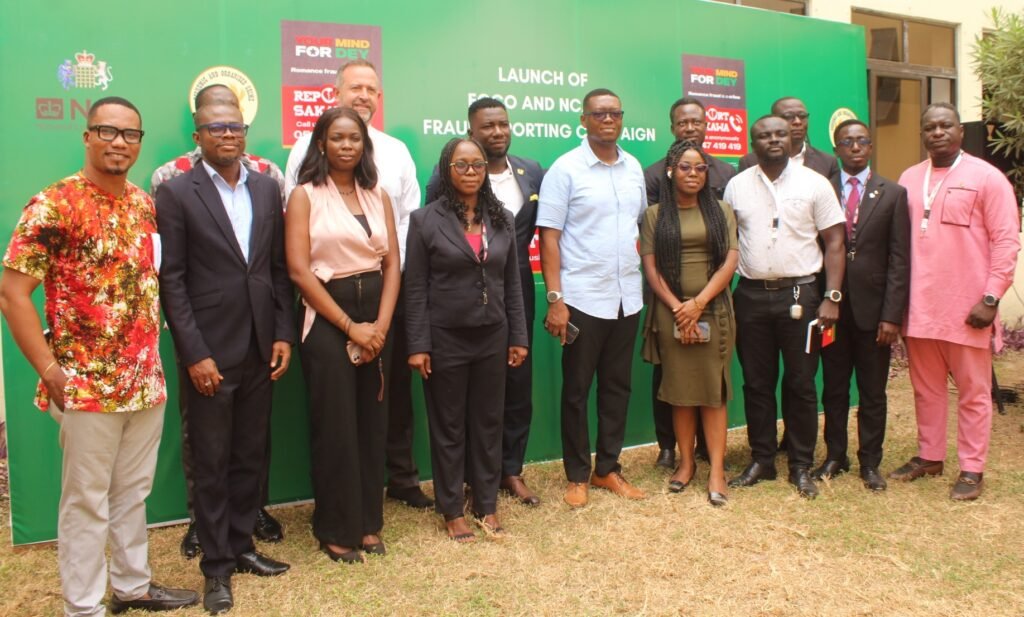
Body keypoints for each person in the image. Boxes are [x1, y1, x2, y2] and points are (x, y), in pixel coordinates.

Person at [0, 96, 199, 616]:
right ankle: (84, 606)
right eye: (106, 131)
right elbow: (12, 294)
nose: (118, 142)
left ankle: (133, 587)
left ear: (139, 142)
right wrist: (49, 370)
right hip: (85, 386)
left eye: (130, 134)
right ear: (87, 136)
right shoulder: (54, 204)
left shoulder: (142, 204)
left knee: (132, 493)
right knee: (86, 501)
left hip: (144, 381)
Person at [156, 103, 296, 614]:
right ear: (198, 135)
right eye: (217, 127)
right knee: (211, 460)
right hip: (209, 352)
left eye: (235, 126)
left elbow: (276, 269)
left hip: (261, 346)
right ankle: (216, 568)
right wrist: (194, 352)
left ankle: (241, 546)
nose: (228, 134)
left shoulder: (265, 187)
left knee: (248, 454)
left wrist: (282, 333)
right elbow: (170, 279)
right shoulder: (175, 193)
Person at [286, 59, 429, 510]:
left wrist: (388, 307)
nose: (364, 95)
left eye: (371, 89)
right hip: (329, 304)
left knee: (386, 405)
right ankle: (338, 514)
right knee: (336, 417)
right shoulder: (303, 166)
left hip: (387, 294)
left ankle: (392, 490)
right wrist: (351, 325)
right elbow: (299, 250)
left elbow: (406, 225)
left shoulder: (395, 155)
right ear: (337, 92)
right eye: (355, 87)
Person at [285, 106, 400, 562]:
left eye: (355, 138)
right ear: (321, 144)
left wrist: (381, 327)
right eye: (338, 138)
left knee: (372, 424)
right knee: (336, 427)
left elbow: (393, 263)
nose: (347, 145)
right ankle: (336, 528)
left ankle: (368, 523)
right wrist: (352, 327)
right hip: (329, 318)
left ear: (364, 144)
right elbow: (298, 270)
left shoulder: (380, 195)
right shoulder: (304, 196)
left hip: (378, 315)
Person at [891, 103, 1020, 500]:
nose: (937, 133)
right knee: (925, 389)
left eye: (946, 125)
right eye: (929, 127)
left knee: (973, 393)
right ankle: (930, 455)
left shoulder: (987, 178)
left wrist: (991, 297)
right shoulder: (910, 178)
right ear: (922, 133)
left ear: (961, 132)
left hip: (968, 311)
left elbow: (1006, 242)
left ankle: (972, 468)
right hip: (920, 308)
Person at [405, 138, 528, 542]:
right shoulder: (425, 220)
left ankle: (486, 504)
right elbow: (416, 289)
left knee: (488, 423)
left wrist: (518, 336)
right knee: (449, 426)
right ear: (447, 169)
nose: (472, 171)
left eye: (477, 164)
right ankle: (452, 508)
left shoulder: (502, 217)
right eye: (462, 165)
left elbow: (511, 283)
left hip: (493, 336)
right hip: (445, 339)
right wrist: (418, 344)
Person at [425, 97, 545, 505]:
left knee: (516, 385)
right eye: (487, 126)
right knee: (468, 397)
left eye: (503, 124)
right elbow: (434, 242)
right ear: (471, 133)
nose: (497, 132)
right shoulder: (447, 178)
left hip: (514, 290)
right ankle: (469, 479)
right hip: (459, 303)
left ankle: (509, 470)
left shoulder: (530, 173)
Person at [724, 114, 846, 499]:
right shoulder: (736, 186)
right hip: (751, 295)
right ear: (752, 142)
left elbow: (835, 244)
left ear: (794, 136)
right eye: (764, 135)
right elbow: (728, 243)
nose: (774, 139)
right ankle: (762, 460)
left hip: (803, 296)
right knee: (756, 383)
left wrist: (832, 296)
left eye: (780, 133)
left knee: (801, 383)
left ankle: (800, 465)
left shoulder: (816, 183)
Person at [537, 88, 648, 508]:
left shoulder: (633, 166)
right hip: (581, 298)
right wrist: (555, 298)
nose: (608, 119)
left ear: (621, 119)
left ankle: (607, 470)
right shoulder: (565, 170)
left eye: (615, 112)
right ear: (583, 120)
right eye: (599, 113)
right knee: (577, 389)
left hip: (626, 297)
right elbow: (550, 237)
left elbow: (637, 226)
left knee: (617, 387)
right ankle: (577, 475)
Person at [640, 140, 738, 506]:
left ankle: (715, 469)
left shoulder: (722, 210)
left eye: (699, 168)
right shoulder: (654, 215)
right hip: (671, 313)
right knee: (680, 392)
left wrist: (698, 303)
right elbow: (651, 267)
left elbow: (730, 261)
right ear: (670, 171)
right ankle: (685, 464)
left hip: (713, 309)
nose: (693, 174)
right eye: (685, 167)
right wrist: (678, 307)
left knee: (713, 393)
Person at [814, 120, 909, 491]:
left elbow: (900, 259)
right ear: (836, 149)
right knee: (834, 388)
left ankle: (870, 462)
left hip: (874, 313)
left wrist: (891, 315)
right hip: (831, 310)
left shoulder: (893, 193)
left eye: (861, 141)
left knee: (872, 391)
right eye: (846, 142)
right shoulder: (821, 191)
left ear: (870, 147)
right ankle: (835, 455)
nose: (854, 147)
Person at [152, 84, 286, 200]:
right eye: (214, 109)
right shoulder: (169, 175)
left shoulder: (268, 172)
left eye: (232, 109)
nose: (224, 114)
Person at [738, 97, 839, 179]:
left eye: (802, 116)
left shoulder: (827, 162)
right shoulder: (749, 161)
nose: (797, 122)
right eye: (788, 116)